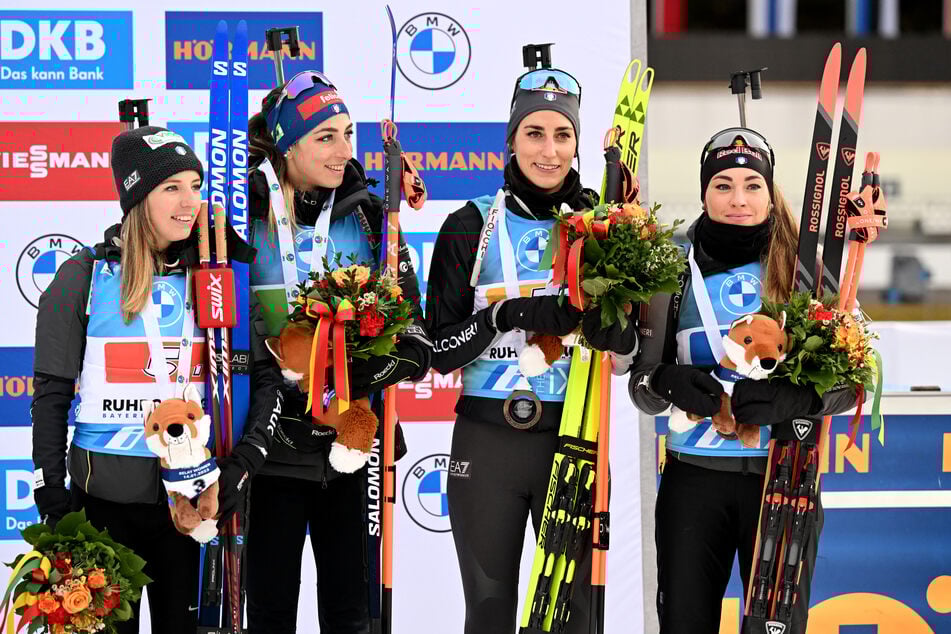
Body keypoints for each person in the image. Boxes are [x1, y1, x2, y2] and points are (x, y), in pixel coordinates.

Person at [31, 126, 282, 633]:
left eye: (195, 186)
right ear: (137, 196)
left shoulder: (219, 278)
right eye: (172, 187)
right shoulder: (83, 278)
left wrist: (242, 467)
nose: (190, 202)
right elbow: (51, 396)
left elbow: (267, 380)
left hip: (192, 507)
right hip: (102, 512)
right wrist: (52, 495)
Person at [424, 59, 639, 634]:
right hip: (486, 441)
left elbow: (627, 352)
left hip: (573, 436)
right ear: (512, 139)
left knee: (574, 618)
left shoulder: (604, 225)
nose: (549, 150)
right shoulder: (469, 224)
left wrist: (607, 321)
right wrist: (505, 314)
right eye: (534, 133)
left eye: (563, 134)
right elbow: (439, 351)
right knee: (489, 613)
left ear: (577, 143)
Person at [626, 127, 861, 633]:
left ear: (770, 193)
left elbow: (853, 383)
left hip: (782, 479)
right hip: (693, 481)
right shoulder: (671, 268)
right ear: (704, 193)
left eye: (753, 185)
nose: (738, 199)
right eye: (723, 185)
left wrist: (794, 399)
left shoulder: (805, 270)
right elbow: (640, 387)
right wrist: (667, 381)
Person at [244, 70, 432, 633]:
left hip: (351, 449)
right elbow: (217, 332)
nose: (344, 150)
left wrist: (353, 373)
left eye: (348, 134)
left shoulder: (371, 216)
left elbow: (416, 341)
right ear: (287, 145)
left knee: (352, 617)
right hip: (266, 450)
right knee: (269, 615)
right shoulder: (239, 218)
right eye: (326, 136)